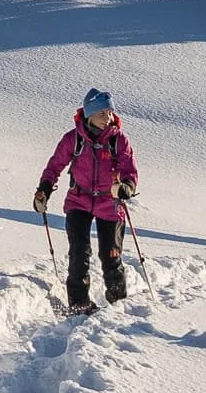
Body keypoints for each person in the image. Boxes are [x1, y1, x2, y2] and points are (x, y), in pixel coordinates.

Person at [36, 87, 139, 311]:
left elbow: (129, 168)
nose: (108, 118)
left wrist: (127, 187)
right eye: (103, 113)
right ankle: (79, 304)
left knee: (110, 256)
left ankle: (117, 303)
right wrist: (44, 189)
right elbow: (55, 165)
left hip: (109, 203)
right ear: (90, 114)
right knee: (78, 255)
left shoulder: (118, 139)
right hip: (79, 200)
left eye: (110, 113)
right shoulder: (73, 139)